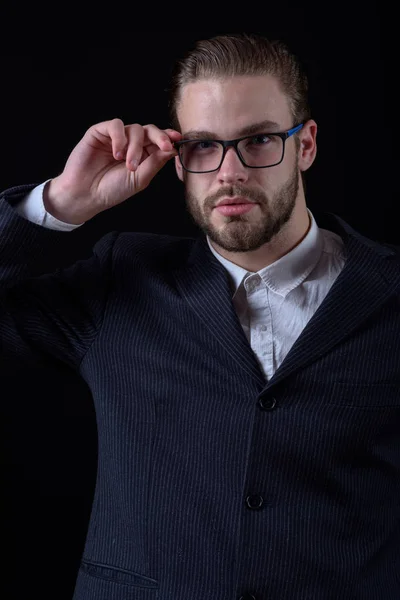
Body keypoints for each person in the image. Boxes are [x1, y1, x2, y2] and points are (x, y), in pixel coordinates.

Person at [0, 32, 399, 600]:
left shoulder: (388, 293)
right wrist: (60, 204)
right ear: (178, 157)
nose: (228, 172)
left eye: (259, 140)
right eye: (203, 145)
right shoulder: (122, 280)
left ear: (306, 144)